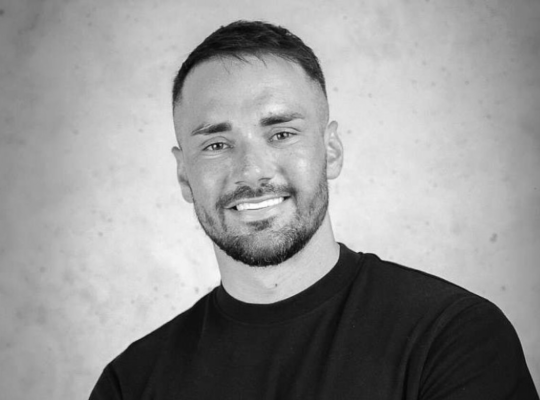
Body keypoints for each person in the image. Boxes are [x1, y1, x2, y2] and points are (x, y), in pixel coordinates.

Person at [89, 20, 539, 399]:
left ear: (332, 151)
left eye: (281, 134)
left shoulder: (451, 339)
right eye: (217, 144)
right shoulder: (131, 384)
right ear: (184, 175)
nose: (252, 171)